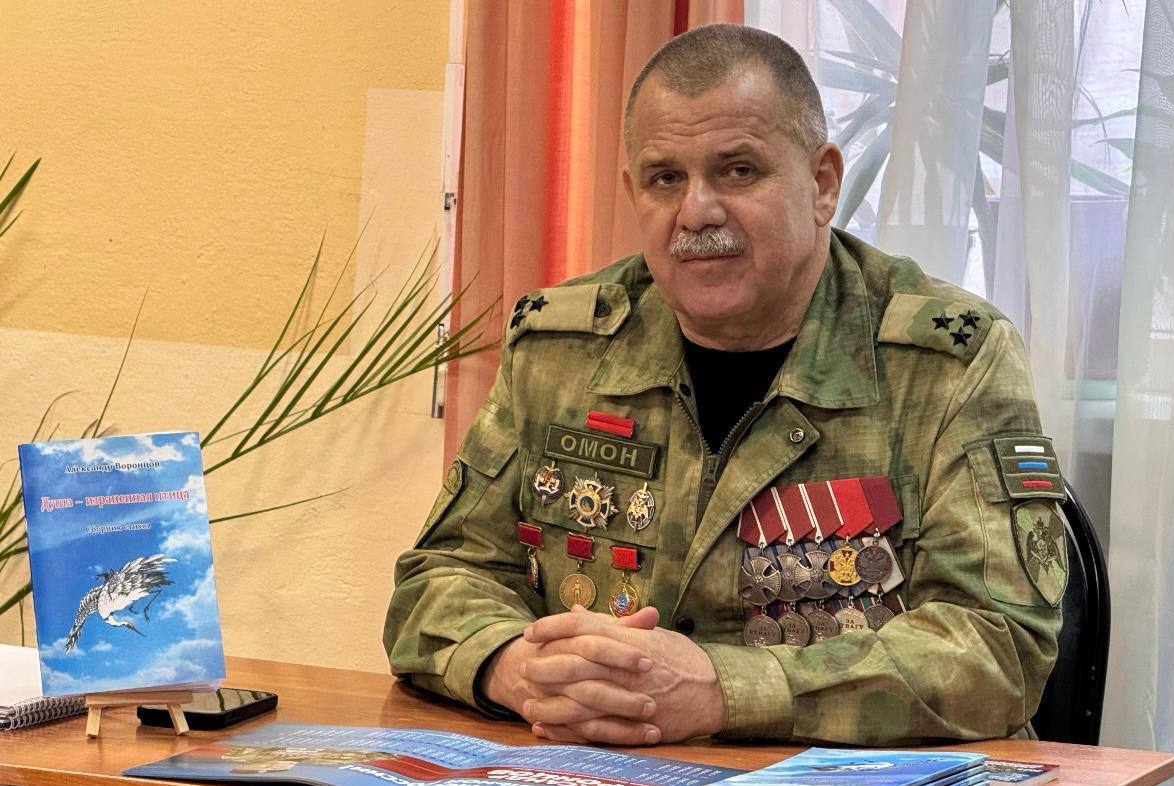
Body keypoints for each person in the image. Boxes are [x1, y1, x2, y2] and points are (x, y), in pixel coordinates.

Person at [383, 24, 1064, 747]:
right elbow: (439, 578)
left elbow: (998, 649)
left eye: (738, 171)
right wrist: (516, 667)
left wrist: (723, 691)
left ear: (822, 184)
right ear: (633, 191)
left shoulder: (948, 361)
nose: (696, 212)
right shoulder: (560, 347)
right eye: (665, 178)